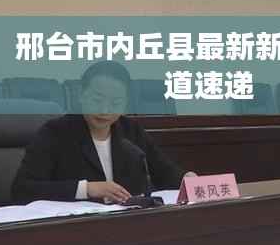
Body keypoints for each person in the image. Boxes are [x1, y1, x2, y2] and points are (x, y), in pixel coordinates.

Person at [12, 61, 195, 204]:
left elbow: (165, 173)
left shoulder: (131, 131)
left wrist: (186, 179)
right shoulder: (55, 133)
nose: (105, 110)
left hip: (127, 224)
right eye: (97, 100)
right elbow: (22, 189)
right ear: (81, 95)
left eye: (115, 102)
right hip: (75, 229)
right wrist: (86, 189)